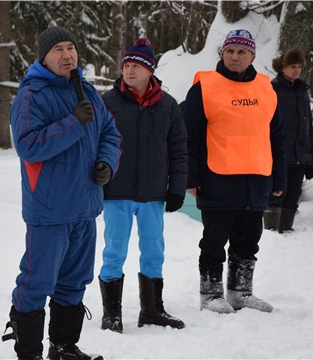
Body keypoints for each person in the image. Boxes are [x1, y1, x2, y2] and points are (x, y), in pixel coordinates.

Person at [2, 26, 121, 360]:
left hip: (85, 207)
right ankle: (28, 352)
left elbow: (111, 133)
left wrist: (107, 164)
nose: (67, 55)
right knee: (37, 280)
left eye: (71, 47)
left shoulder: (87, 91)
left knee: (74, 280)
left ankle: (64, 347)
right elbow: (28, 146)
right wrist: (72, 122)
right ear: (44, 56)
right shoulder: (32, 95)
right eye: (58, 49)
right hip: (50, 210)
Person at [183, 29, 286, 314]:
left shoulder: (267, 88)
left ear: (253, 56)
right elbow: (189, 136)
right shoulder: (205, 87)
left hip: (257, 179)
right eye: (230, 51)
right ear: (222, 54)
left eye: (242, 51)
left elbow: (277, 137)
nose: (235, 56)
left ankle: (241, 292)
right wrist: (191, 177)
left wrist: (280, 177)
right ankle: (211, 294)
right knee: (214, 240)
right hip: (218, 179)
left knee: (248, 240)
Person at [98, 38, 188, 333]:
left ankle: (152, 310)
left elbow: (178, 150)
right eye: (126, 66)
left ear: (150, 71)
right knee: (114, 251)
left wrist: (177, 187)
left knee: (154, 251)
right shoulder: (107, 103)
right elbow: (94, 145)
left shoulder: (168, 106)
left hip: (152, 194)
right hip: (116, 192)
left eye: (136, 66)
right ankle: (112, 313)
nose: (129, 71)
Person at [264, 49, 313, 233]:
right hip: (279, 151)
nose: (296, 70)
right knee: (276, 191)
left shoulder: (302, 91)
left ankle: (286, 228)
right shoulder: (272, 89)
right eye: (292, 66)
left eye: (299, 67)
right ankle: (272, 228)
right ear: (282, 67)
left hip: (300, 152)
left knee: (293, 193)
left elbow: (308, 125)